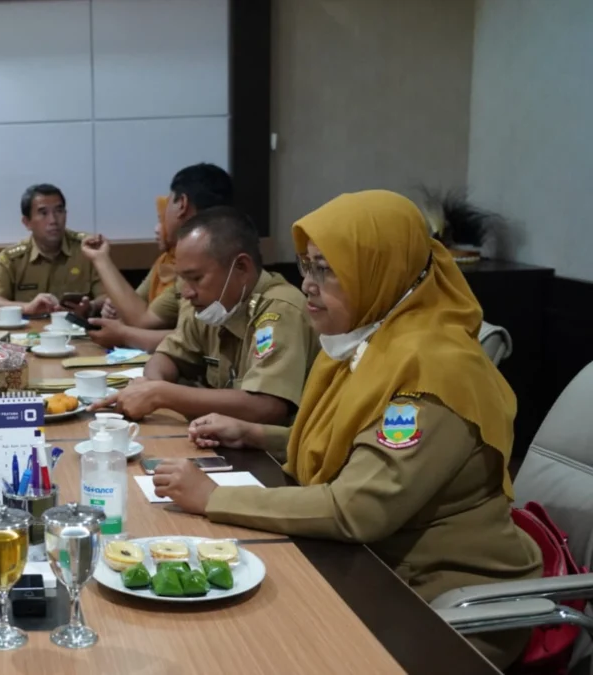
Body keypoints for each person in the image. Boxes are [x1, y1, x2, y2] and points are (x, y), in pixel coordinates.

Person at [158, 190, 542, 669]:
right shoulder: (369, 342)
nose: (310, 286)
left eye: (328, 268)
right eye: (307, 266)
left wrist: (213, 497)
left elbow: (358, 509)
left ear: (381, 268)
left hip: (438, 603)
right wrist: (258, 435)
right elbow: (353, 442)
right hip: (367, 566)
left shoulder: (433, 371)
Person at [90, 206, 316, 422]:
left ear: (242, 268)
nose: (187, 292)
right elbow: (167, 356)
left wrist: (162, 394)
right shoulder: (211, 306)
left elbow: (266, 407)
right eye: (182, 279)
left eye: (196, 278)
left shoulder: (279, 309)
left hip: (271, 457)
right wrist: (152, 386)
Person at [82, 163, 234, 351]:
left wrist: (124, 334)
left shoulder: (206, 261)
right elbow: (135, 313)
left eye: (167, 204)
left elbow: (144, 322)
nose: (187, 291)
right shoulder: (171, 258)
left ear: (182, 205)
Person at [0, 184, 104, 317]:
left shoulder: (88, 250)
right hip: (27, 335)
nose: (53, 220)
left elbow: (111, 297)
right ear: (27, 222)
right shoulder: (13, 258)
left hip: (79, 333)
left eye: (59, 211)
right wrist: (26, 308)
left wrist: (91, 307)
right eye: (43, 213)